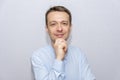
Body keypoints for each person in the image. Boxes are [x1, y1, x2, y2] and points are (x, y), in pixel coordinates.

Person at [31, 6, 96, 80]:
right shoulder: (38, 57)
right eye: (53, 24)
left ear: (70, 27)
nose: (59, 29)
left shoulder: (79, 54)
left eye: (64, 23)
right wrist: (59, 59)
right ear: (47, 28)